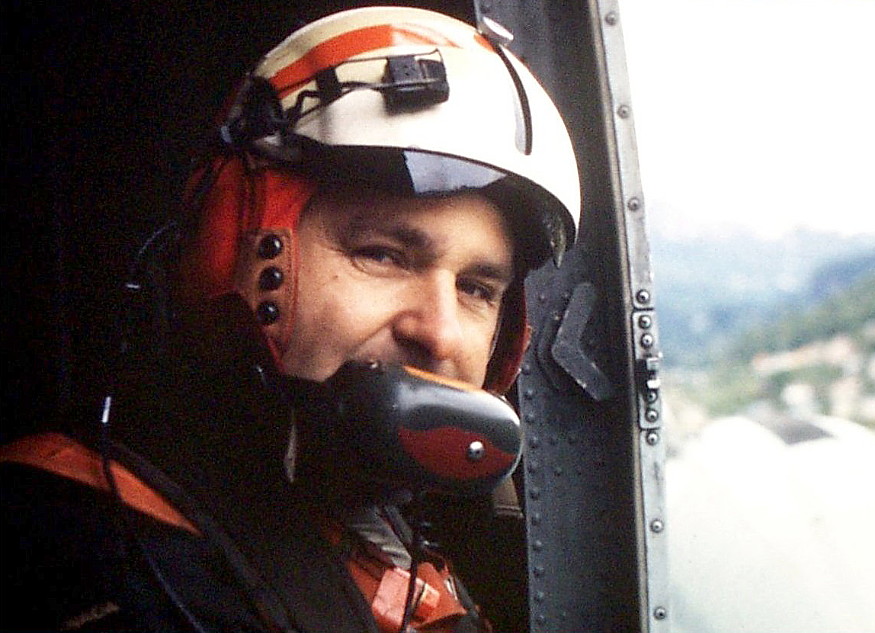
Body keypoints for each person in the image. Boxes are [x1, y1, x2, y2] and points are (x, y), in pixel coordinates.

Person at [1, 6, 580, 633]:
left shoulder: (381, 540)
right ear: (240, 251)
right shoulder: (75, 539)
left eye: (475, 288)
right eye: (382, 255)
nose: (439, 332)